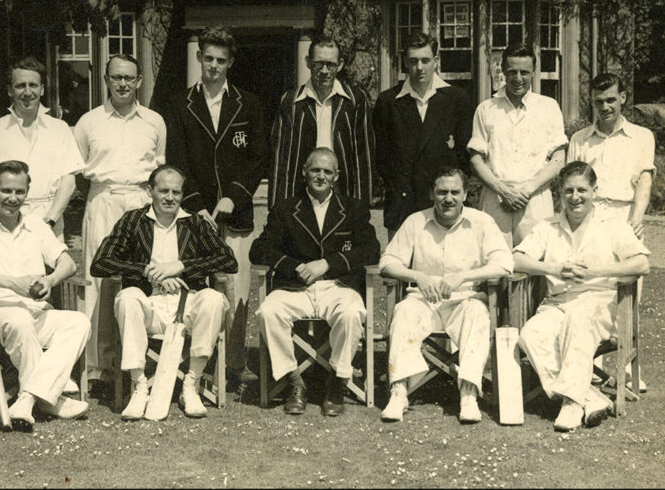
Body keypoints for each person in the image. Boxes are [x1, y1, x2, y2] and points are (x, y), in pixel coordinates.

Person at [0, 160, 91, 430]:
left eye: (19, 192)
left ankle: (27, 399)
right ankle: (52, 398)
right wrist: (12, 283)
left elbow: (68, 264)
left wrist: (50, 279)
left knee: (78, 322)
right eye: (6, 191)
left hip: (36, 311)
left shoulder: (37, 225)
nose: (12, 198)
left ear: (27, 192)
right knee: (19, 320)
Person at [90, 165, 237, 420]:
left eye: (176, 192)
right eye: (163, 191)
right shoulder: (133, 220)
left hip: (187, 305)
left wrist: (181, 268)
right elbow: (101, 263)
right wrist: (148, 272)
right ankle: (139, 386)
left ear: (182, 195)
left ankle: (191, 384)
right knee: (127, 298)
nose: (170, 197)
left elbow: (228, 260)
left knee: (213, 299)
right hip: (150, 305)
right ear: (150, 191)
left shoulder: (195, 223)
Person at [514, 161, 650, 432]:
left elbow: (641, 264)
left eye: (582, 190)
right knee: (530, 334)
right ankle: (588, 396)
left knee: (578, 319)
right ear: (560, 194)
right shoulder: (548, 227)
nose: (575, 197)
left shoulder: (612, 225)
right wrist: (553, 268)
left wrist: (594, 273)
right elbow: (516, 259)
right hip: (558, 303)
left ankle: (572, 405)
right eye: (568, 191)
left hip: (600, 303)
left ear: (595, 191)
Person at [166, 26, 267, 384]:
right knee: (197, 289)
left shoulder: (248, 103)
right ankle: (198, 362)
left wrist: (232, 197)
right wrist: (197, 207)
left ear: (231, 63)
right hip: (195, 215)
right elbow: (176, 159)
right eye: (208, 58)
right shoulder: (180, 105)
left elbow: (258, 159)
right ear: (199, 58)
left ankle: (235, 363)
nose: (213, 66)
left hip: (235, 214)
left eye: (221, 60)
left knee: (236, 290)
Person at [250, 147, 380, 417]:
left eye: (327, 171)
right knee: (268, 311)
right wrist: (294, 265)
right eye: (315, 170)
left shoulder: (353, 208)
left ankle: (337, 380)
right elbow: (260, 249)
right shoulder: (286, 208)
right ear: (304, 172)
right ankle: (293, 380)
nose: (321, 176)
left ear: (336, 176)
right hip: (295, 287)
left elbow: (371, 250)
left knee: (352, 312)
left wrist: (329, 263)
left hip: (337, 286)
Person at [379, 167, 512, 424]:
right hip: (422, 299)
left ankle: (469, 393)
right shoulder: (415, 221)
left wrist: (463, 276)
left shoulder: (482, 222)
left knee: (477, 313)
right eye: (442, 192)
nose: (448, 198)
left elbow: (505, 263)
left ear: (465, 195)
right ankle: (399, 392)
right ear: (432, 194)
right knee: (403, 311)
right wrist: (417, 276)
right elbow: (387, 262)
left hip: (464, 298)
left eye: (454, 192)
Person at [73, 54, 167, 384]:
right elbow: (79, 172)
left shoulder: (154, 122)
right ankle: (99, 367)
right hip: (103, 200)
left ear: (140, 81)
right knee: (98, 280)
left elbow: (158, 168)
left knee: (141, 278)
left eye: (129, 78)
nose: (123, 84)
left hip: (142, 201)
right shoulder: (88, 123)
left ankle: (138, 360)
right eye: (116, 78)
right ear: (106, 80)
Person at [567, 72, 656, 392]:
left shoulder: (642, 136)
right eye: (597, 101)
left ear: (623, 98)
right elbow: (571, 184)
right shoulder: (579, 140)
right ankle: (590, 365)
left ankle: (629, 370)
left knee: (629, 295)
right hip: (588, 218)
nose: (604, 107)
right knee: (590, 289)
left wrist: (636, 219)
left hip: (624, 215)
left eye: (610, 100)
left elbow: (644, 181)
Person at [0, 57, 84, 239]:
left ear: (42, 89)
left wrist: (50, 220)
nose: (27, 92)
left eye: (33, 85)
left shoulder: (59, 129)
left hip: (49, 224)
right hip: (5, 226)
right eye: (20, 86)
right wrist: (2, 219)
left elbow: (68, 181)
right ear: (10, 90)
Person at [374, 31, 476, 239]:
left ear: (436, 61)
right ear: (404, 62)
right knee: (401, 268)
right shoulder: (388, 102)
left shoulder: (457, 99)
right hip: (402, 204)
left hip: (444, 205)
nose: (419, 68)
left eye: (425, 60)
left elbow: (464, 158)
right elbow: (381, 158)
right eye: (413, 61)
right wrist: (398, 189)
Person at [467, 43, 567, 246]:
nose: (518, 78)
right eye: (512, 72)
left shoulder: (548, 106)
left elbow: (558, 159)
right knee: (493, 265)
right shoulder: (486, 109)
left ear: (533, 72)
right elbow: (476, 160)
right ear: (502, 70)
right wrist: (504, 191)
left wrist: (525, 191)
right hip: (495, 198)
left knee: (535, 264)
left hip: (535, 199)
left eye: (524, 72)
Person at [268, 33, 375, 208]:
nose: (324, 71)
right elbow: (280, 159)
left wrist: (362, 207)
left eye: (331, 64)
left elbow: (364, 158)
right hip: (301, 193)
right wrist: (277, 208)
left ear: (339, 65)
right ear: (308, 62)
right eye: (318, 64)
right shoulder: (291, 101)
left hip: (342, 190)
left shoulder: (354, 100)